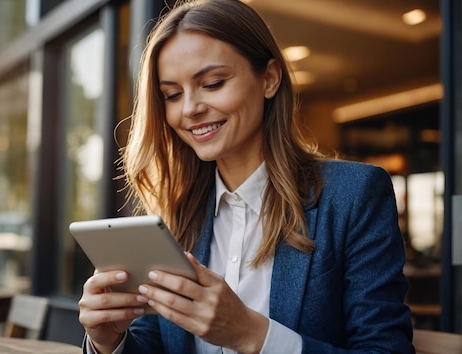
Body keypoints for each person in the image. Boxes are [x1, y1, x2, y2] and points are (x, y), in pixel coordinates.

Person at [78, 0, 414, 353]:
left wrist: (251, 334)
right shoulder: (176, 213)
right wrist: (108, 341)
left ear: (269, 79)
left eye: (213, 83)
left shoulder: (353, 195)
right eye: (172, 95)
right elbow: (159, 341)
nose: (189, 108)